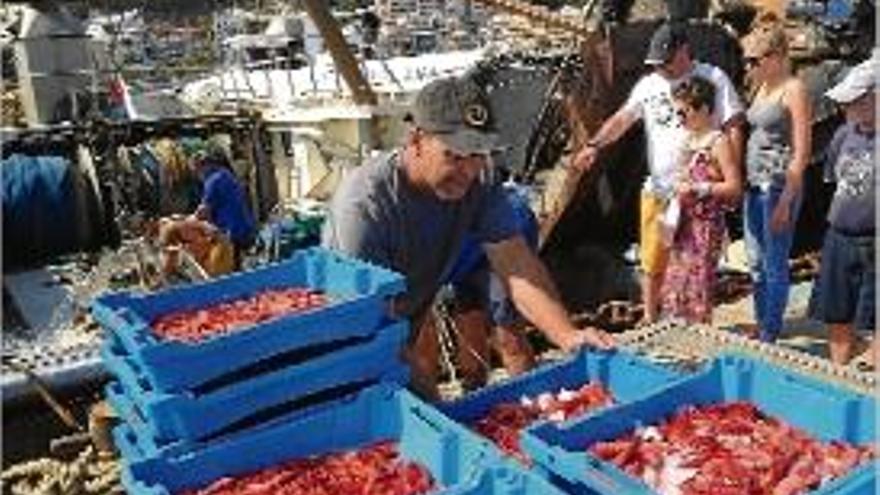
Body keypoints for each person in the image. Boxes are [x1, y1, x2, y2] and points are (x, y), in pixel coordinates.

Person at [322, 75, 615, 398]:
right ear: (416, 140)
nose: (469, 170)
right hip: (347, 351)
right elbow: (370, 327)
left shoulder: (479, 177)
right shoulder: (364, 209)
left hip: (399, 328)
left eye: (478, 154)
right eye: (455, 155)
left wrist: (568, 335)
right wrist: (431, 401)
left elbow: (515, 263)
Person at [575, 22, 744, 323]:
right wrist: (595, 145)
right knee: (653, 260)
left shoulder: (713, 78)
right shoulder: (648, 85)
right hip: (661, 190)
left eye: (664, 62)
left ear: (683, 52)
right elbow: (623, 119)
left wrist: (730, 177)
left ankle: (697, 321)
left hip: (699, 195)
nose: (660, 69)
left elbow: (733, 126)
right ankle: (651, 318)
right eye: (655, 64)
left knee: (696, 264)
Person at [740, 15, 812, 343]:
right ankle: (761, 319)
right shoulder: (760, 86)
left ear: (776, 57)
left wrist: (786, 199)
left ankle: (771, 328)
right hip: (754, 185)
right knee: (754, 261)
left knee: (774, 261)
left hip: (778, 185)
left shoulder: (794, 89)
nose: (750, 66)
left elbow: (801, 150)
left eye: (755, 60)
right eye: (748, 60)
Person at [809, 56, 876, 366]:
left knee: (873, 319)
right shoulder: (843, 134)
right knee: (837, 312)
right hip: (840, 233)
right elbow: (832, 180)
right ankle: (838, 372)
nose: (846, 109)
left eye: (854, 101)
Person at [661, 77, 741, 323]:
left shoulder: (719, 142)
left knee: (698, 287)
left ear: (704, 109)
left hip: (704, 227)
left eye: (684, 112)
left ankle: (699, 339)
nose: (680, 119)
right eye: (677, 113)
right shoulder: (687, 141)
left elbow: (734, 186)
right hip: (682, 223)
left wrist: (701, 188)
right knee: (677, 284)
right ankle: (680, 335)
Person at [192, 146, 256, 267]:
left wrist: (183, 221)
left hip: (232, 232)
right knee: (237, 264)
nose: (197, 176)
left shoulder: (213, 180)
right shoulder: (226, 174)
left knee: (229, 267)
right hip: (245, 228)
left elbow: (203, 211)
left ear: (202, 167)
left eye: (196, 171)